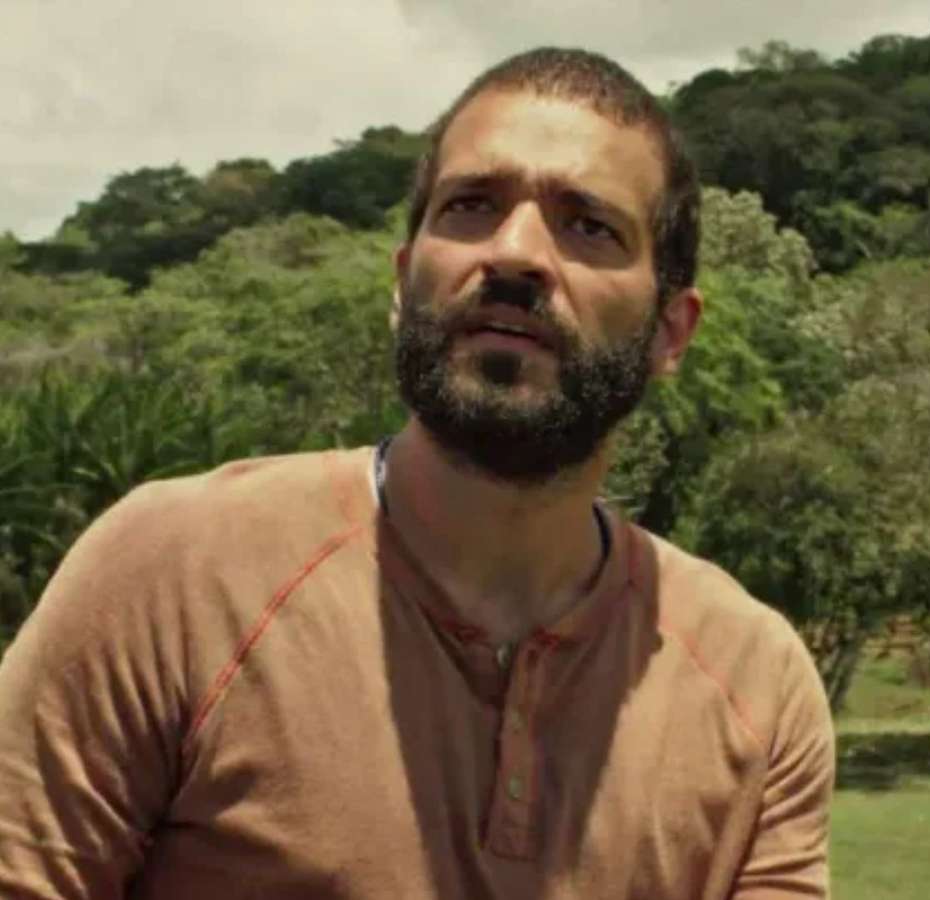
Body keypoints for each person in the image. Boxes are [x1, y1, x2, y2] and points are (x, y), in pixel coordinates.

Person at [0, 47, 834, 899]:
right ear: (403, 286)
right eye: (471, 206)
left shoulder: (755, 684)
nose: (515, 254)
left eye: (588, 225)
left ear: (670, 331)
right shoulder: (175, 576)